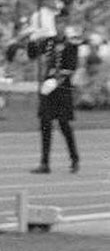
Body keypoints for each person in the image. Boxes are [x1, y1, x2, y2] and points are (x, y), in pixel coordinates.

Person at [30, 32, 80, 174]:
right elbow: (34, 55)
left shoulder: (71, 44)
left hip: (62, 89)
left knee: (64, 124)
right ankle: (44, 162)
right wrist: (33, 42)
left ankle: (74, 158)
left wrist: (56, 80)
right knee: (45, 123)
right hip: (48, 89)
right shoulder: (47, 42)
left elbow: (71, 67)